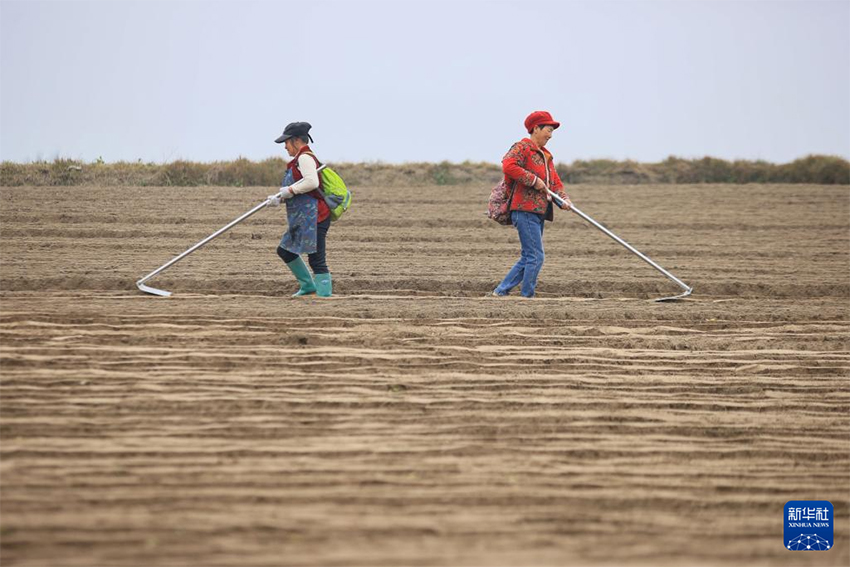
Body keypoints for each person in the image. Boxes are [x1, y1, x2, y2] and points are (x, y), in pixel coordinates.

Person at [492, 111, 572, 298]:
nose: (550, 135)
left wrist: (564, 200)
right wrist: (533, 180)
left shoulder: (546, 156)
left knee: (529, 257)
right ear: (536, 128)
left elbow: (554, 182)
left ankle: (500, 292)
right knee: (536, 256)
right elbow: (508, 165)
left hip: (539, 212)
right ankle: (527, 296)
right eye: (548, 130)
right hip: (524, 209)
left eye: (552, 131)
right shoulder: (522, 148)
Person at [267, 122, 333, 297]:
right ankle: (308, 286)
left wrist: (289, 190)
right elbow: (300, 187)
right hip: (303, 216)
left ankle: (324, 296)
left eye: (286, 143)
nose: (285, 147)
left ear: (296, 141)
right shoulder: (298, 160)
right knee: (285, 250)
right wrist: (278, 198)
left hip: (316, 216)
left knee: (316, 259)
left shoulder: (305, 158)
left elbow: (312, 182)